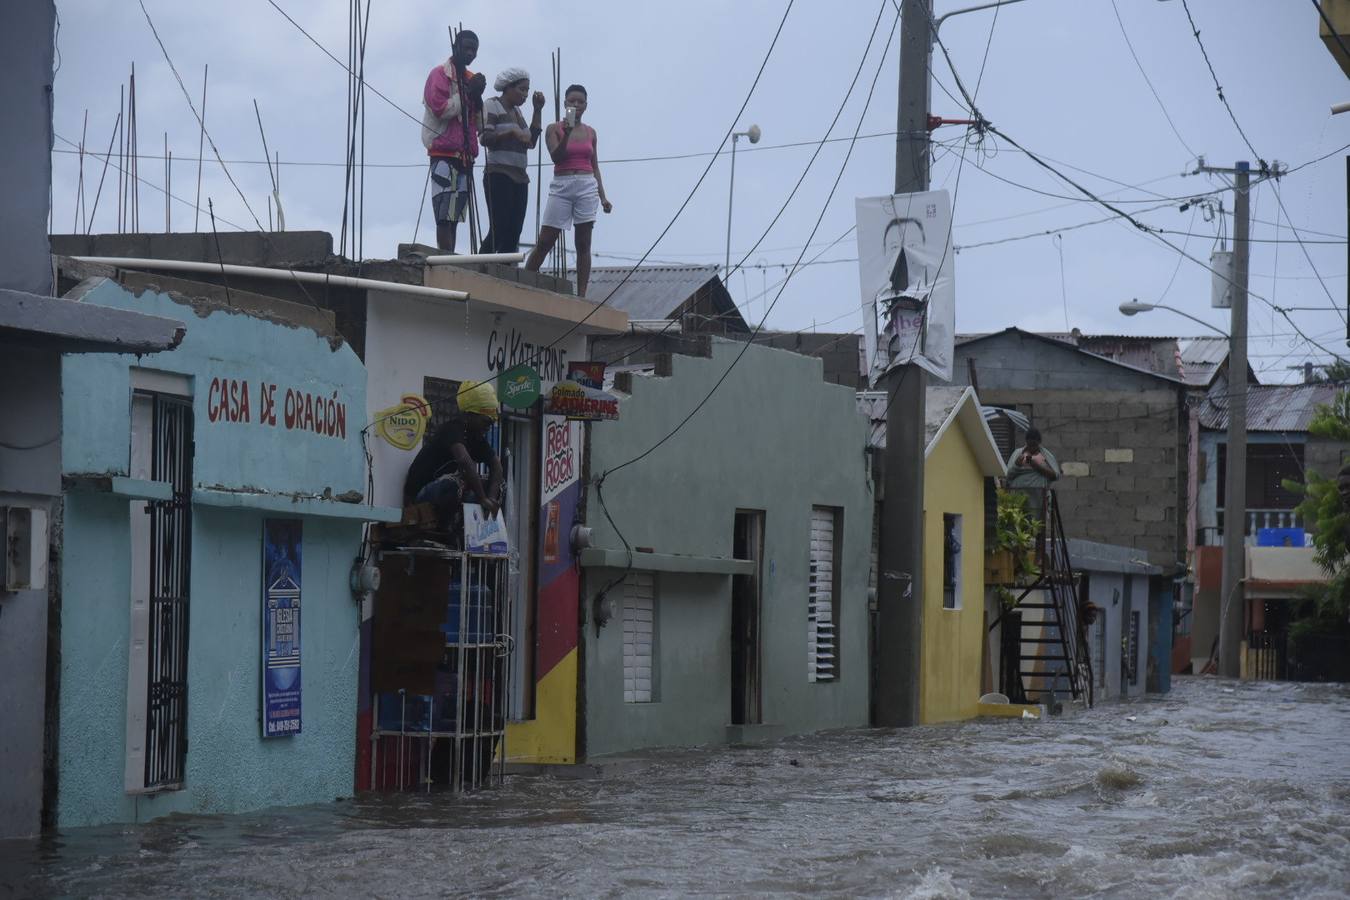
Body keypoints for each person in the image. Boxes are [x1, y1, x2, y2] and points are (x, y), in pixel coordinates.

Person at [524, 84, 612, 297]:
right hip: (562, 184)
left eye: (580, 102)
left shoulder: (591, 132)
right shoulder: (554, 128)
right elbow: (556, 156)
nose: (576, 105)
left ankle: (581, 294)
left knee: (583, 242)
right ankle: (525, 281)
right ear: (565, 103)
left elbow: (595, 166)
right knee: (545, 240)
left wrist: (603, 197)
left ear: (586, 105)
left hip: (586, 184)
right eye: (572, 101)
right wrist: (567, 133)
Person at [403, 380, 503, 528]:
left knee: (495, 485)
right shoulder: (452, 429)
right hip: (419, 498)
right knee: (454, 484)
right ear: (469, 415)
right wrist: (482, 498)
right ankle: (446, 528)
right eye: (486, 421)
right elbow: (464, 461)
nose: (489, 426)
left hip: (443, 496)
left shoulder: (476, 437)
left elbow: (496, 466)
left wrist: (491, 499)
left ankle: (472, 529)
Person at [421, 30, 487, 253]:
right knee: (443, 214)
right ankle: (446, 258)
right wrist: (468, 94)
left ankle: (449, 257)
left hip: (465, 156)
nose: (470, 53)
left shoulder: (470, 80)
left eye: (474, 50)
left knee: (454, 216)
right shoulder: (439, 75)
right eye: (466, 48)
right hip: (443, 153)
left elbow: (482, 123)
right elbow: (441, 110)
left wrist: (477, 97)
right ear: (455, 47)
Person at [479, 68, 545, 254]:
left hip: (520, 177)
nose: (525, 95)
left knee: (515, 230)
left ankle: (503, 269)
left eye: (527, 90)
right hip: (499, 174)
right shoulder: (492, 105)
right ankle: (479, 264)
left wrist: (537, 110)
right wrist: (511, 132)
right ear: (508, 87)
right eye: (521, 89)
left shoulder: (517, 112)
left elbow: (529, 141)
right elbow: (485, 137)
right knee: (499, 226)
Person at [1005, 426, 1060, 531]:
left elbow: (1054, 475)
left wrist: (1036, 466)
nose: (1032, 448)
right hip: (1019, 496)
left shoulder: (1045, 455)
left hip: (1037, 498)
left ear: (1039, 443)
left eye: (1034, 445)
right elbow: (1009, 474)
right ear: (1026, 442)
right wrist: (1017, 464)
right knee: (1019, 524)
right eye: (1029, 445)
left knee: (1035, 525)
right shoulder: (1018, 454)